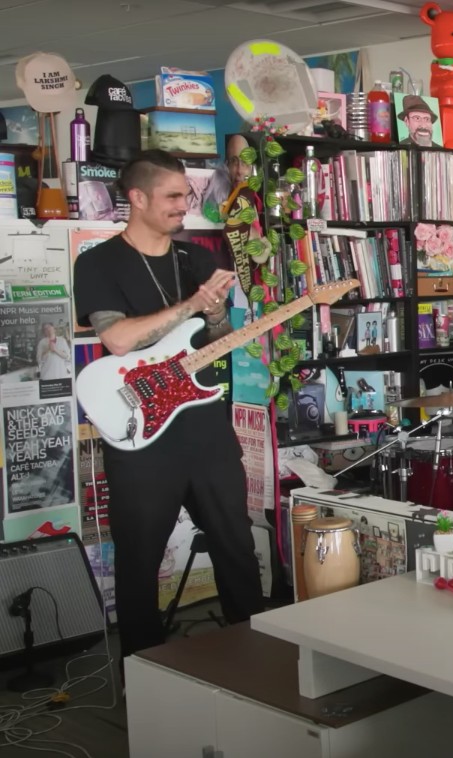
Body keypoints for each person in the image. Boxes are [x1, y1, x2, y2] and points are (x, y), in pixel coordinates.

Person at [72, 150, 262, 657]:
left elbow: (216, 336)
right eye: (173, 196)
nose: (185, 204)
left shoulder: (196, 258)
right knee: (139, 562)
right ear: (137, 198)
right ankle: (143, 670)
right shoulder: (98, 263)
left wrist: (217, 313)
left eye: (187, 194)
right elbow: (117, 340)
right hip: (139, 437)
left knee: (237, 545)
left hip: (204, 428)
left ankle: (262, 653)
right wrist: (191, 305)